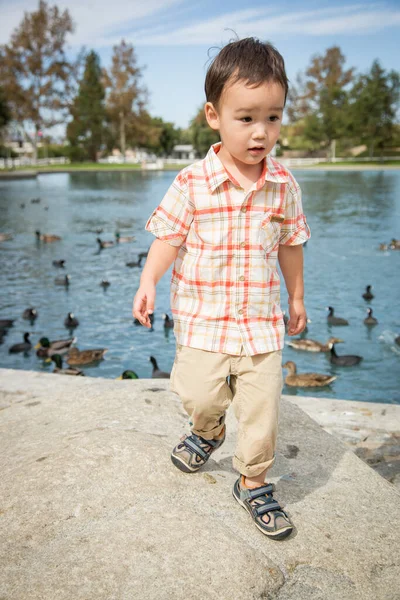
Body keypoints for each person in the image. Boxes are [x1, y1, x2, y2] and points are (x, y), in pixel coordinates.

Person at [132, 37, 310, 540]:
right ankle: (207, 431)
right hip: (202, 319)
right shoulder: (191, 183)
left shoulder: (284, 186)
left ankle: (253, 481)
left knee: (261, 410)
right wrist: (148, 281)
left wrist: (296, 297)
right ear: (214, 115)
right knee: (197, 393)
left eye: (272, 118)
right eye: (247, 117)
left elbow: (291, 246)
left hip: (259, 326)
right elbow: (168, 238)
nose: (261, 132)